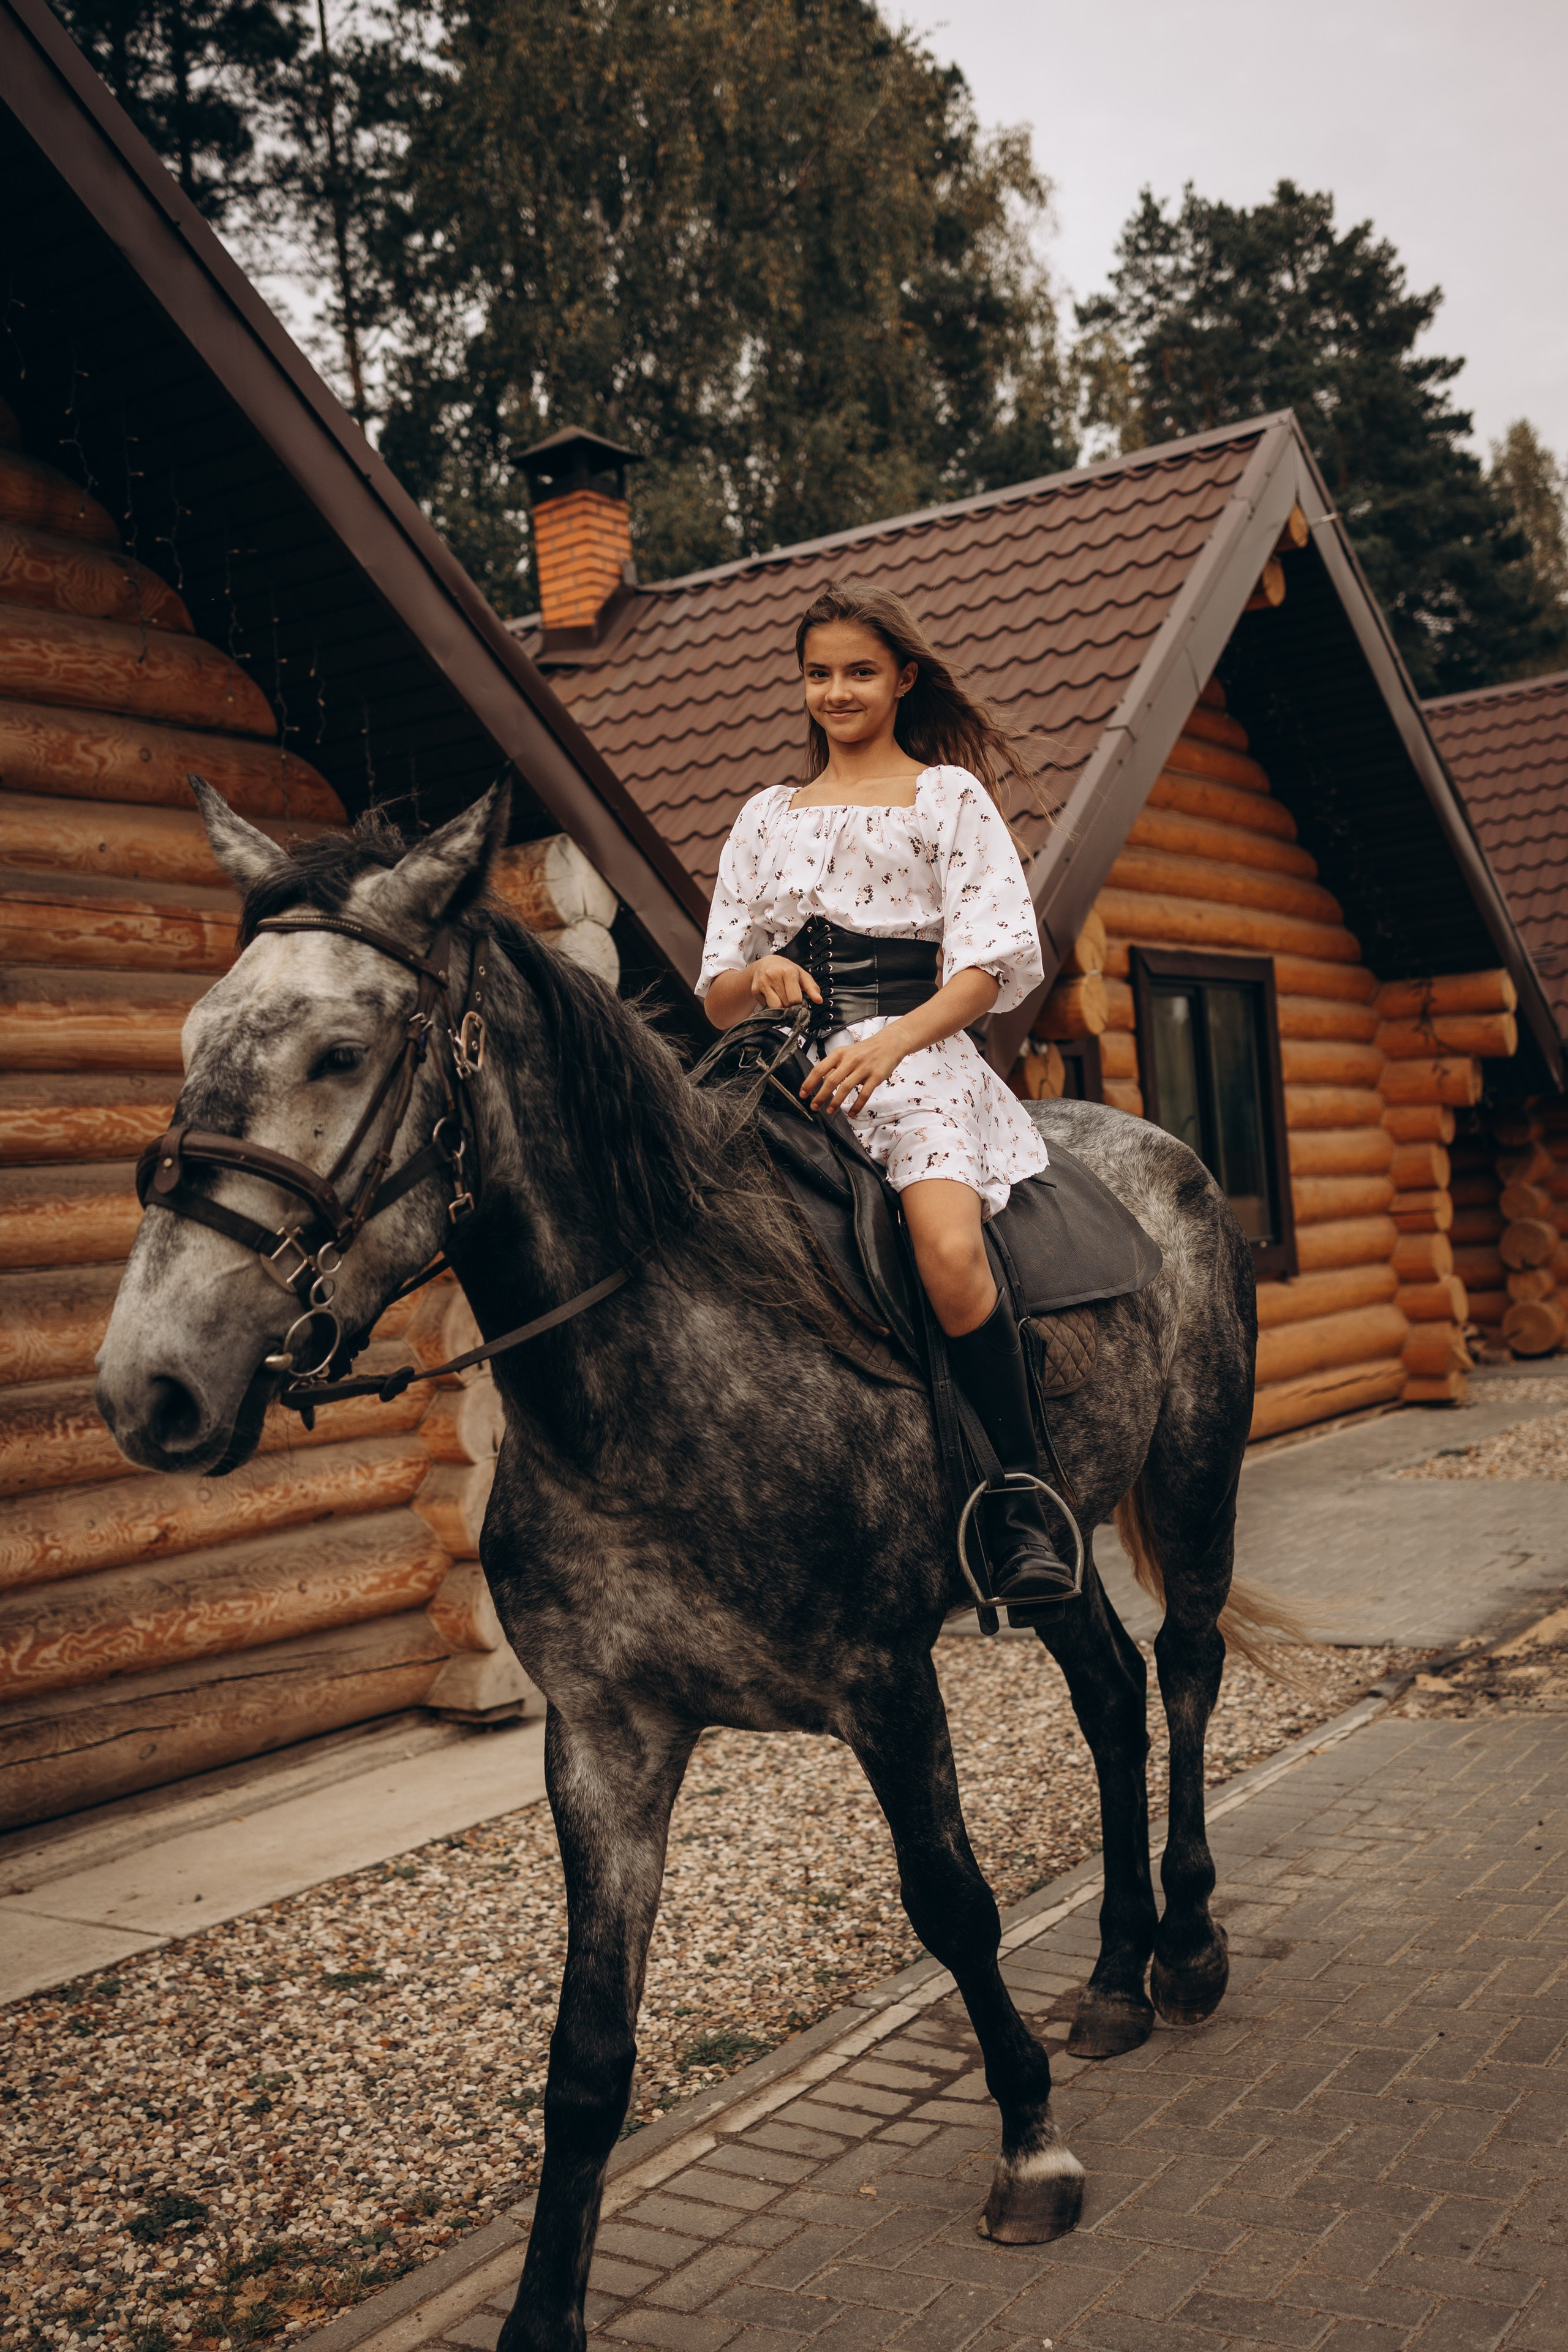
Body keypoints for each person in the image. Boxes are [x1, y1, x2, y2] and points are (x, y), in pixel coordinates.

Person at [698, 578, 1076, 1609]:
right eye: (819, 673)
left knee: (949, 1251)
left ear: (904, 679)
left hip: (918, 1057)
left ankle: (1024, 1499)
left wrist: (895, 1044)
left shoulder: (949, 798)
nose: (837, 690)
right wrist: (762, 979)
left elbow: (995, 965)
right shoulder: (764, 817)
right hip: (778, 1065)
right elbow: (720, 989)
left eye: (859, 671)